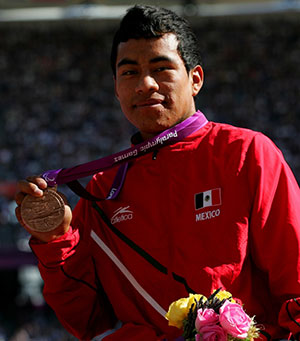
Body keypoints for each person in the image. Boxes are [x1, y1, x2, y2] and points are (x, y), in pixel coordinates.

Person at [15, 4, 300, 341]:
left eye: (161, 68)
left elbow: (294, 279)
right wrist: (56, 241)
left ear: (195, 79)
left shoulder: (246, 153)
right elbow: (86, 319)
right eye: (129, 72)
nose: (145, 84)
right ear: (117, 87)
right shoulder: (103, 189)